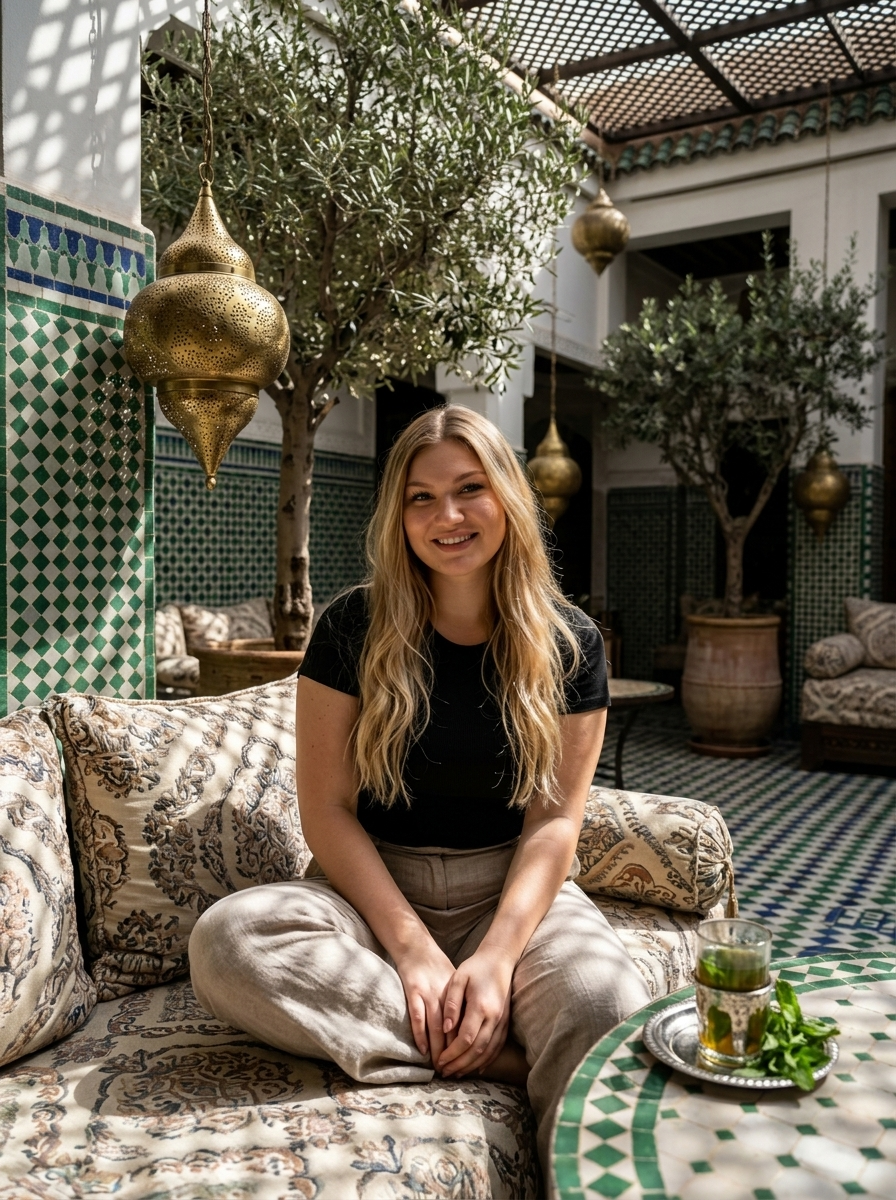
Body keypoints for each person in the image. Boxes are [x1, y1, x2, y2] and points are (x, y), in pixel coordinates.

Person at [189, 405, 651, 1179]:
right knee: (228, 942)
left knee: (607, 1006)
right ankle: (508, 1058)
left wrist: (498, 958)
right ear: (398, 516)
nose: (449, 516)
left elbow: (553, 823)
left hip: (511, 891)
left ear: (507, 495)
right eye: (421, 497)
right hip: (371, 889)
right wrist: (412, 953)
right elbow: (327, 812)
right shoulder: (350, 628)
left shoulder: (574, 643)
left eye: (470, 489)